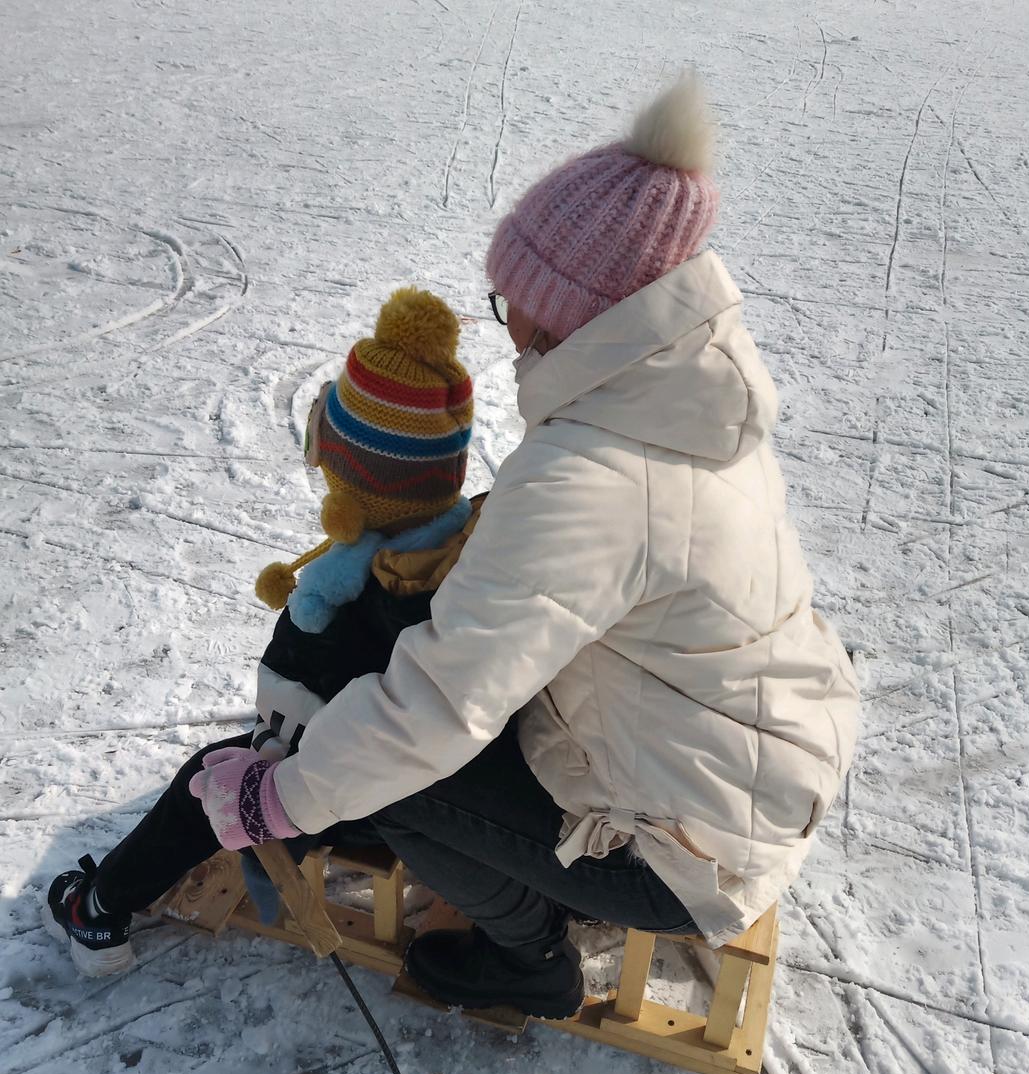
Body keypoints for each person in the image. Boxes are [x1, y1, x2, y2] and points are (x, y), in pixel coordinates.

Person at [49, 73, 859, 1022]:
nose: (504, 320)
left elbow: (432, 714)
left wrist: (280, 798)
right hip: (751, 771)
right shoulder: (688, 413)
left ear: (564, 309)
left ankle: (529, 959)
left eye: (508, 296)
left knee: (391, 769)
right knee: (393, 731)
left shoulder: (591, 479)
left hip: (687, 847)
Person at [45, 287, 477, 974]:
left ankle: (97, 909)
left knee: (210, 775)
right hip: (464, 773)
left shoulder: (357, 594)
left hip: (386, 789)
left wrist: (310, 614)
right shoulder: (469, 543)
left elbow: (296, 721)